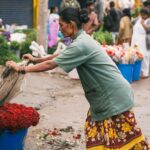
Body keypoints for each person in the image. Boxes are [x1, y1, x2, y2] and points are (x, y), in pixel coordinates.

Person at [7, 7, 149, 149]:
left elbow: (51, 64)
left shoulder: (81, 44)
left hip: (113, 98)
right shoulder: (81, 40)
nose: (60, 29)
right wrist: (36, 59)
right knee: (103, 138)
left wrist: (22, 69)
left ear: (71, 25)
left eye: (61, 25)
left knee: (125, 142)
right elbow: (60, 55)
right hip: (108, 97)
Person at [131, 8, 150, 78]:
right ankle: (137, 72)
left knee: (145, 56)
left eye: (144, 15)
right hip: (136, 40)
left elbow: (148, 29)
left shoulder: (149, 21)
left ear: (147, 15)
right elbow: (132, 22)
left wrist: (143, 24)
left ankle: (145, 73)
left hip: (144, 41)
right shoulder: (138, 19)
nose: (142, 16)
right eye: (141, 14)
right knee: (135, 55)